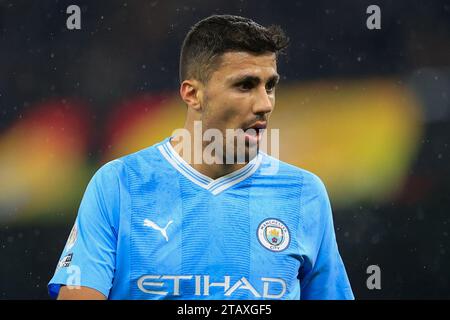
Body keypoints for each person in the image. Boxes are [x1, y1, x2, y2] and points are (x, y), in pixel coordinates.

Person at [48, 14, 354, 300]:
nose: (265, 104)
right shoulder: (118, 185)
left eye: (270, 86)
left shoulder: (304, 193)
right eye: (245, 85)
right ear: (193, 94)